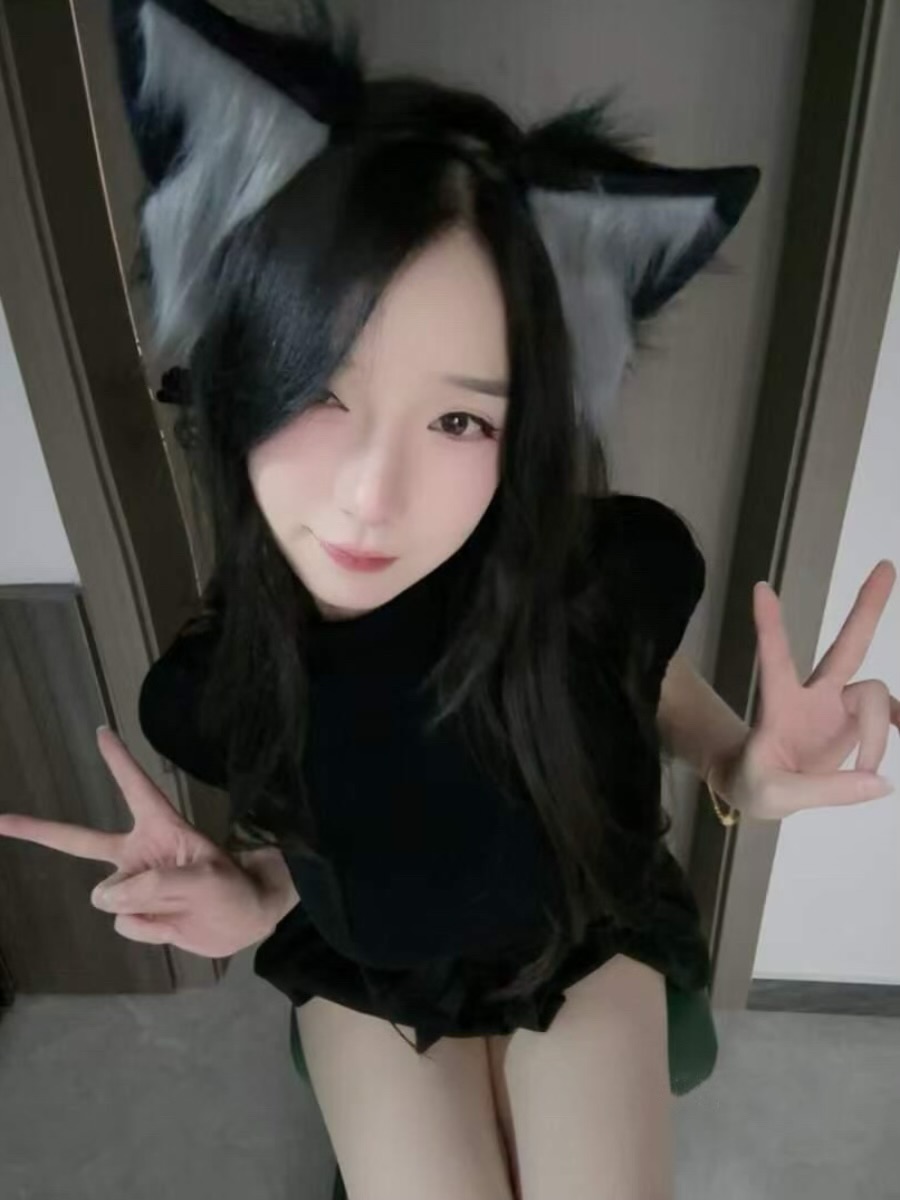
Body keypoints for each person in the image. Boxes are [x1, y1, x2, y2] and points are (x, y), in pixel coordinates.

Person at [3, 3, 896, 1199]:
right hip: (369, 967)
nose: (372, 496)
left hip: (581, 931)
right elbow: (330, 847)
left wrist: (743, 770)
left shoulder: (594, 570)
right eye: (321, 390)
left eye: (460, 418)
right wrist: (248, 895)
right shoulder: (225, 677)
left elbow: (643, 685)